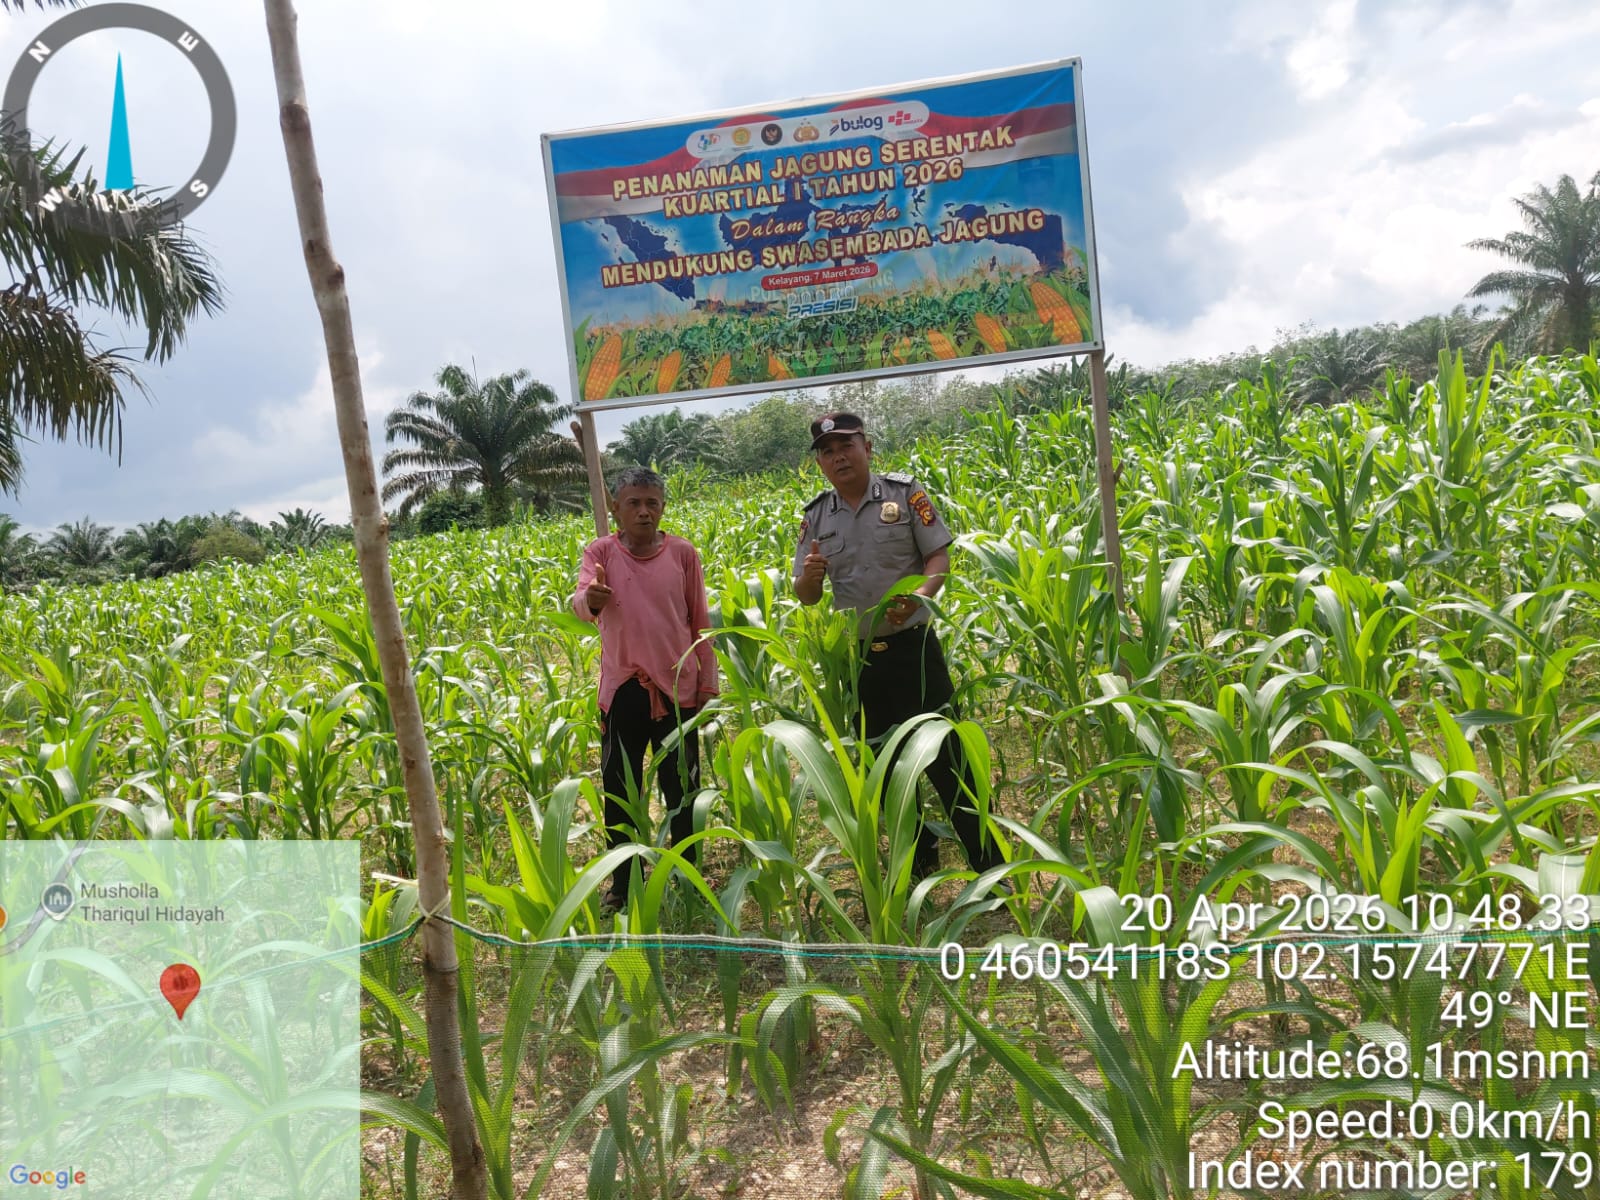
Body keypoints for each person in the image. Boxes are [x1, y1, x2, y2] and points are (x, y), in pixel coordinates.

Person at [791, 412, 1003, 880]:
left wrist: (920, 597)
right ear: (821, 464)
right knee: (881, 766)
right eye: (827, 451)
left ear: (866, 447)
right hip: (859, 660)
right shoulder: (816, 516)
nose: (837, 456)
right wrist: (808, 579)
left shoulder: (905, 495)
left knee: (948, 759)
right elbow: (806, 596)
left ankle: (988, 864)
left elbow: (938, 557)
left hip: (915, 650)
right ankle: (918, 858)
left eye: (845, 445)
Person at [574, 467, 718, 910]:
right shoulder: (600, 553)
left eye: (651, 502)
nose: (643, 511)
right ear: (615, 507)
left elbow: (699, 621)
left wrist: (709, 682)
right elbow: (581, 603)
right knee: (620, 789)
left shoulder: (682, 554)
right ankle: (623, 882)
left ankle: (689, 874)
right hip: (624, 691)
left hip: (680, 688)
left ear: (663, 508)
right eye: (633, 502)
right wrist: (592, 600)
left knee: (683, 789)